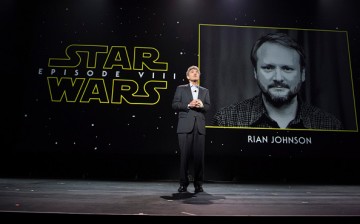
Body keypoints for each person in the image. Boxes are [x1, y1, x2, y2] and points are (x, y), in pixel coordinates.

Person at [212, 32, 343, 130]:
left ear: (303, 74)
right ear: (255, 73)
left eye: (287, 68)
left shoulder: (329, 125)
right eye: (268, 68)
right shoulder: (226, 121)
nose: (278, 78)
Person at [172, 65, 211, 193]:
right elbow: (175, 105)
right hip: (185, 127)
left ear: (199, 76)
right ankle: (183, 184)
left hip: (199, 127)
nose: (195, 74)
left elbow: (208, 106)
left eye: (197, 72)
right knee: (184, 157)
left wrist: (201, 105)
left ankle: (198, 184)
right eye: (192, 72)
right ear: (188, 76)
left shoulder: (205, 91)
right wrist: (188, 105)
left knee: (199, 157)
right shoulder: (181, 89)